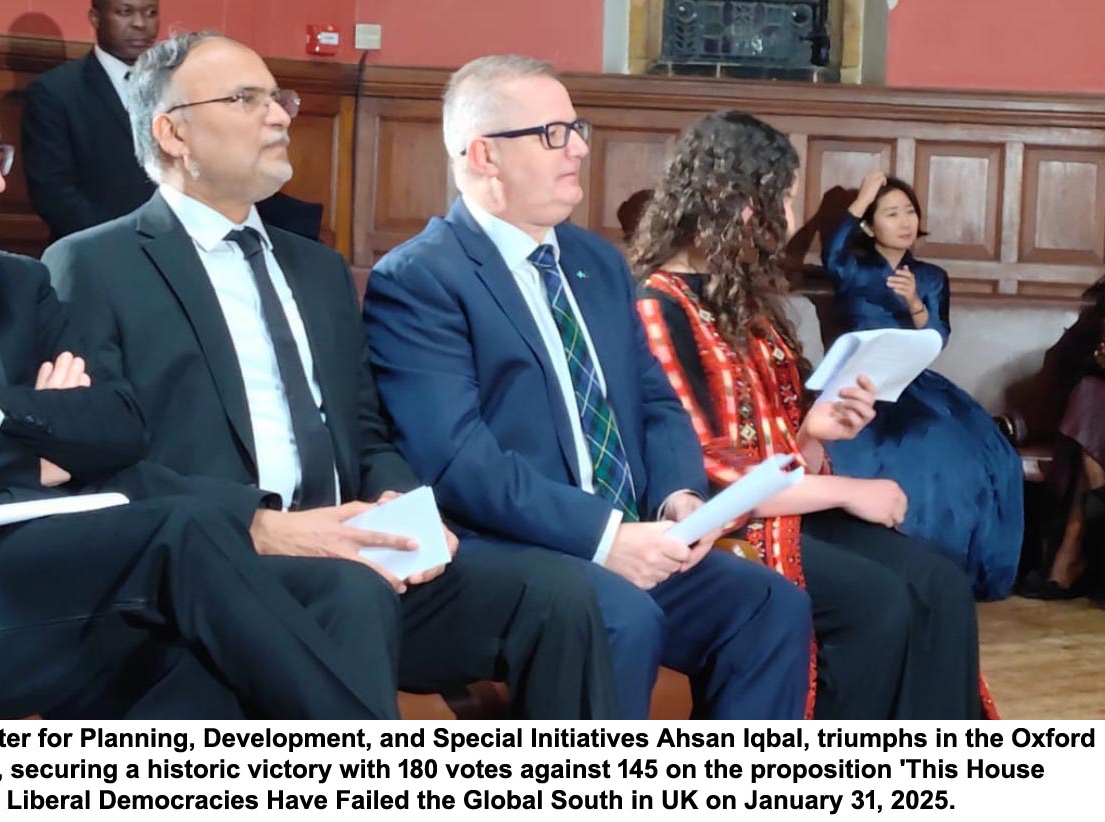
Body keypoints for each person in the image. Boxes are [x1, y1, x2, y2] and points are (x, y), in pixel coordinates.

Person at [46, 34, 616, 719]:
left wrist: (405, 507)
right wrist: (261, 526)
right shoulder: (94, 265)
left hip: (354, 550)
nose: (280, 116)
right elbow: (100, 465)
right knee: (352, 594)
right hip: (221, 567)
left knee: (560, 596)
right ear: (173, 133)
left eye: (277, 98)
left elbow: (366, 431)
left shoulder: (317, 268)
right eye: (245, 99)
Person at [0, 62, 413, 720]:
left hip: (36, 541)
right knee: (183, 528)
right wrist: (44, 446)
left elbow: (118, 423)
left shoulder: (18, 282)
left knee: (324, 595)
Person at [362, 55, 811, 720]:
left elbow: (654, 401)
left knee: (769, 604)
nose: (577, 148)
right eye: (553, 134)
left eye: (577, 129)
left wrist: (679, 497)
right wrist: (606, 537)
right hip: (513, 551)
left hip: (630, 535)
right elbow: (457, 460)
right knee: (619, 617)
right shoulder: (422, 278)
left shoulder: (595, 261)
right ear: (484, 155)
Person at [633, 109, 995, 718]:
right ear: (734, 202)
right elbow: (708, 475)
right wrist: (848, 490)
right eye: (780, 198)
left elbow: (786, 453)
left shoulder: (744, 302)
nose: (788, 216)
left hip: (785, 505)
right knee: (876, 602)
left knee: (943, 587)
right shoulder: (657, 307)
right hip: (726, 526)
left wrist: (815, 431)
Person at [820, 172, 1023, 600]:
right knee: (903, 445)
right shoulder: (851, 267)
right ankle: (888, 564)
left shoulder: (930, 276)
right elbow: (832, 249)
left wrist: (914, 302)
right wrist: (863, 198)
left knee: (971, 451)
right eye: (891, 213)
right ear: (869, 226)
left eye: (909, 212)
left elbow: (938, 337)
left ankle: (949, 569)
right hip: (861, 380)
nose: (905, 222)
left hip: (914, 380)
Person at [23, 1, 321, 242]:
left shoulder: (190, 83)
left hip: (196, 242)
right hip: (103, 249)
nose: (140, 23)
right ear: (95, 18)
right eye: (125, 12)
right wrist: (125, 241)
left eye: (150, 12)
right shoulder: (57, 92)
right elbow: (55, 195)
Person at [1018, 276, 1105, 604]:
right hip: (1090, 420)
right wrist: (1098, 359)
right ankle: (1083, 531)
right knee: (1090, 395)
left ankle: (1073, 547)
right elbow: (1063, 364)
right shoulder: (1099, 309)